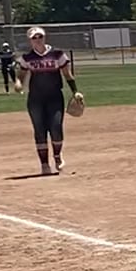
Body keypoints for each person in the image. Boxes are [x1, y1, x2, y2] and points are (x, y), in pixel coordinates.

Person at [14, 26, 83, 176]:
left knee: (56, 127)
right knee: (40, 130)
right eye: (34, 38)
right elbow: (21, 74)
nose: (38, 40)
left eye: (40, 36)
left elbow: (67, 74)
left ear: (44, 37)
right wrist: (18, 83)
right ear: (30, 40)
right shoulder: (27, 58)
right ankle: (44, 164)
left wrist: (75, 91)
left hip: (55, 97)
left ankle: (57, 156)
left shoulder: (57, 54)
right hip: (36, 99)